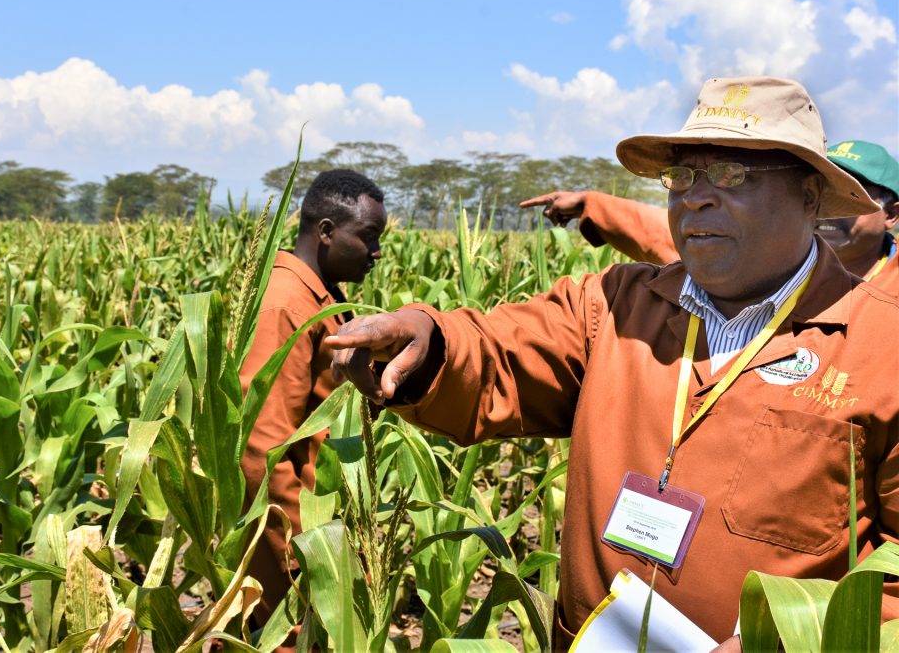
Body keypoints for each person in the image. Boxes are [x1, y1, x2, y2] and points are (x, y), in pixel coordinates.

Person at [324, 76, 899, 647]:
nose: (694, 195)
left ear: (809, 196)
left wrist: (792, 639)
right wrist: (428, 342)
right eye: (682, 175)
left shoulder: (883, 345)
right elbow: (501, 351)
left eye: (732, 173)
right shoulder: (617, 305)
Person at [240, 168, 387, 626]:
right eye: (368, 237)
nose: (377, 252)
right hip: (290, 542)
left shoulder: (319, 297)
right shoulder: (286, 304)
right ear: (326, 232)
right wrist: (303, 554)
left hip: (315, 526)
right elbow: (262, 450)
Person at [520, 140, 899, 290]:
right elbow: (652, 230)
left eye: (858, 195)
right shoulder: (758, 261)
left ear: (892, 214)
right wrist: (588, 202)